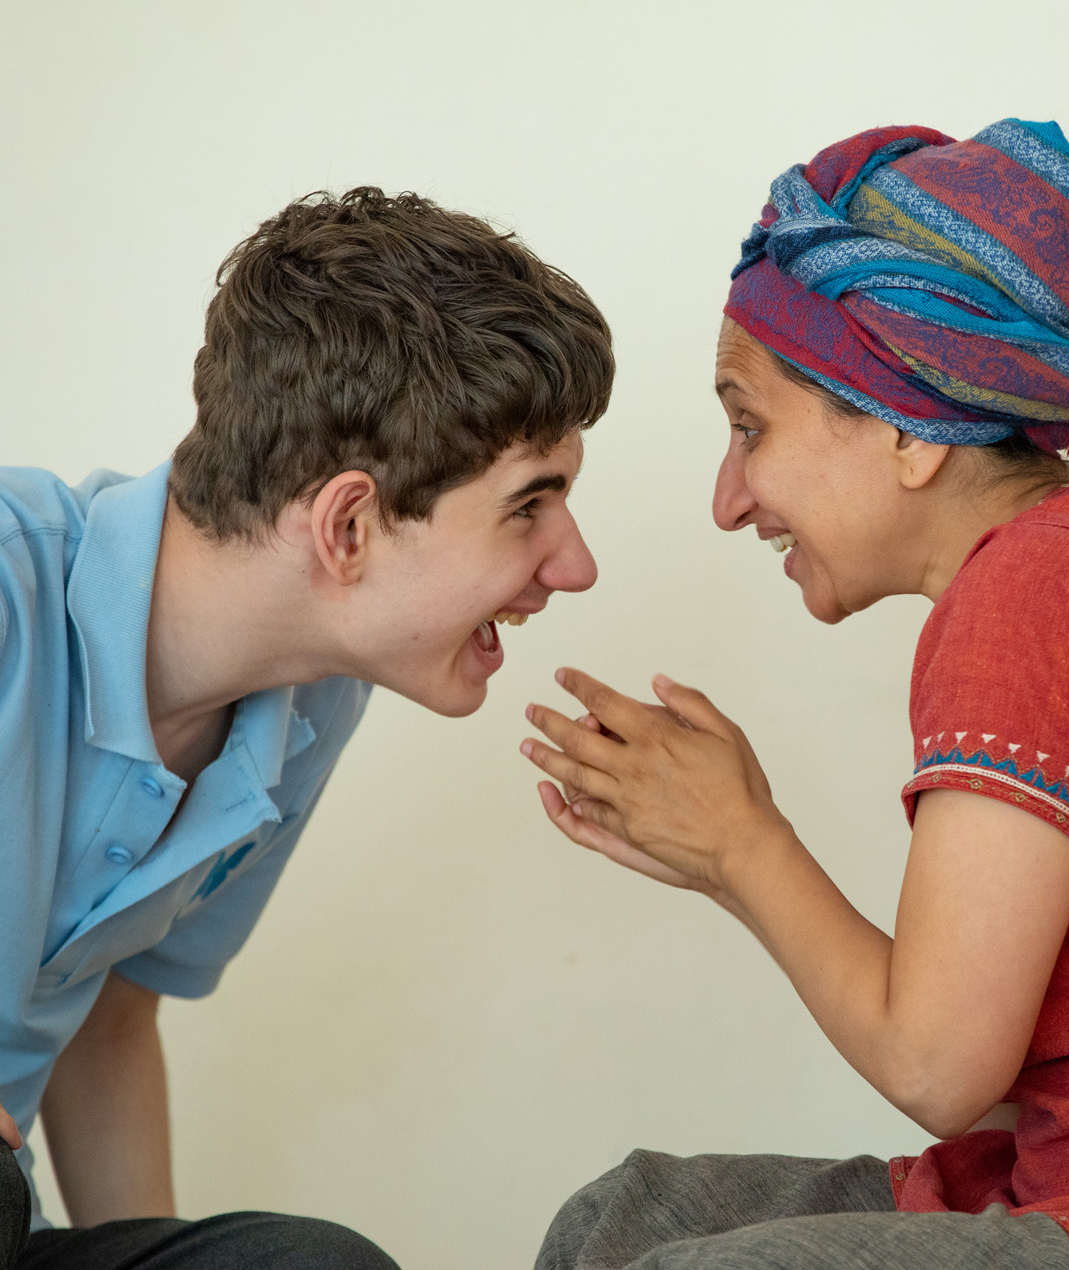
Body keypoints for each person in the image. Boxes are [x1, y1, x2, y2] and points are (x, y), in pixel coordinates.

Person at [521, 120, 1069, 1270]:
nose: (729, 500)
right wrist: (726, 848)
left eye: (748, 426)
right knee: (621, 1218)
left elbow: (937, 1069)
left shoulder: (1036, 592)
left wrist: (743, 846)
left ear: (906, 432)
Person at [0, 186, 612, 1268]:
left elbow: (110, 1009)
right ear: (347, 525)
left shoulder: (309, 702)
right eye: (529, 504)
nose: (573, 565)